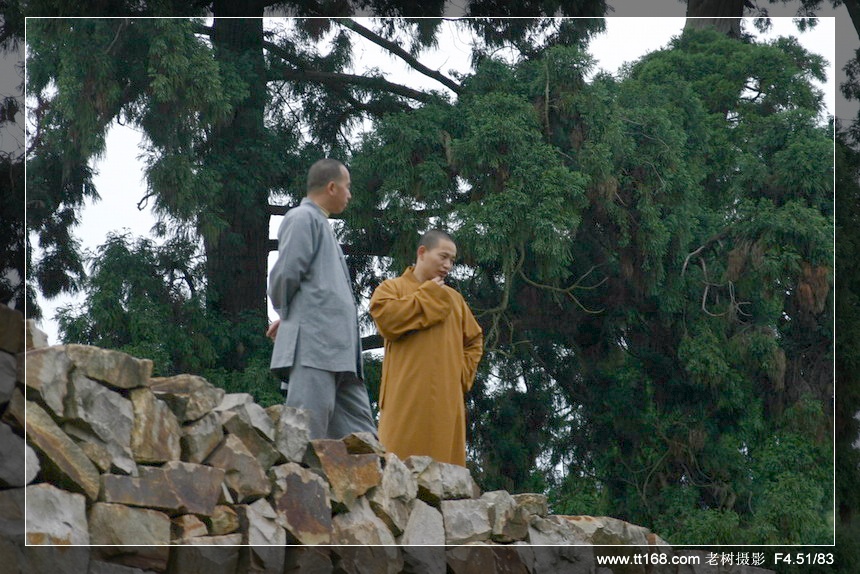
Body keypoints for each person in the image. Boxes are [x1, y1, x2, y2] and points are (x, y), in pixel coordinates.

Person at [267, 158, 376, 440]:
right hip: (315, 347)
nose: (350, 194)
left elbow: (312, 286)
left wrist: (294, 315)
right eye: (347, 187)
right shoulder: (303, 218)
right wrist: (292, 317)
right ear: (331, 187)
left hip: (341, 353)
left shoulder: (320, 223)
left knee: (363, 442)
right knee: (305, 434)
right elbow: (285, 276)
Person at [369, 230, 483, 466]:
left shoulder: (454, 299)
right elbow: (387, 321)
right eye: (443, 257)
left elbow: (474, 340)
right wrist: (428, 295)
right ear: (422, 252)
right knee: (398, 469)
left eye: (452, 260)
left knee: (444, 477)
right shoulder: (392, 289)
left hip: (446, 400)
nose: (448, 265)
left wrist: (459, 374)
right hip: (405, 397)